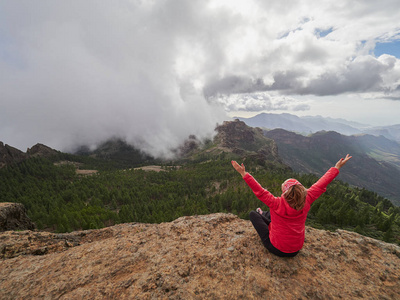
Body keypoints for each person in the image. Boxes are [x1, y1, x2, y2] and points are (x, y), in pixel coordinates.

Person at [231, 154, 352, 257]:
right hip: (296, 250)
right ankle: (265, 215)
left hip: (276, 248)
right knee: (271, 216)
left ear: (285, 191)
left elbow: (260, 191)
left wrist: (244, 174)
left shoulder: (276, 203)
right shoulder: (308, 198)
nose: (282, 185)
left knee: (253, 214)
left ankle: (262, 214)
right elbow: (322, 183)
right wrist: (336, 167)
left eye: (283, 185)